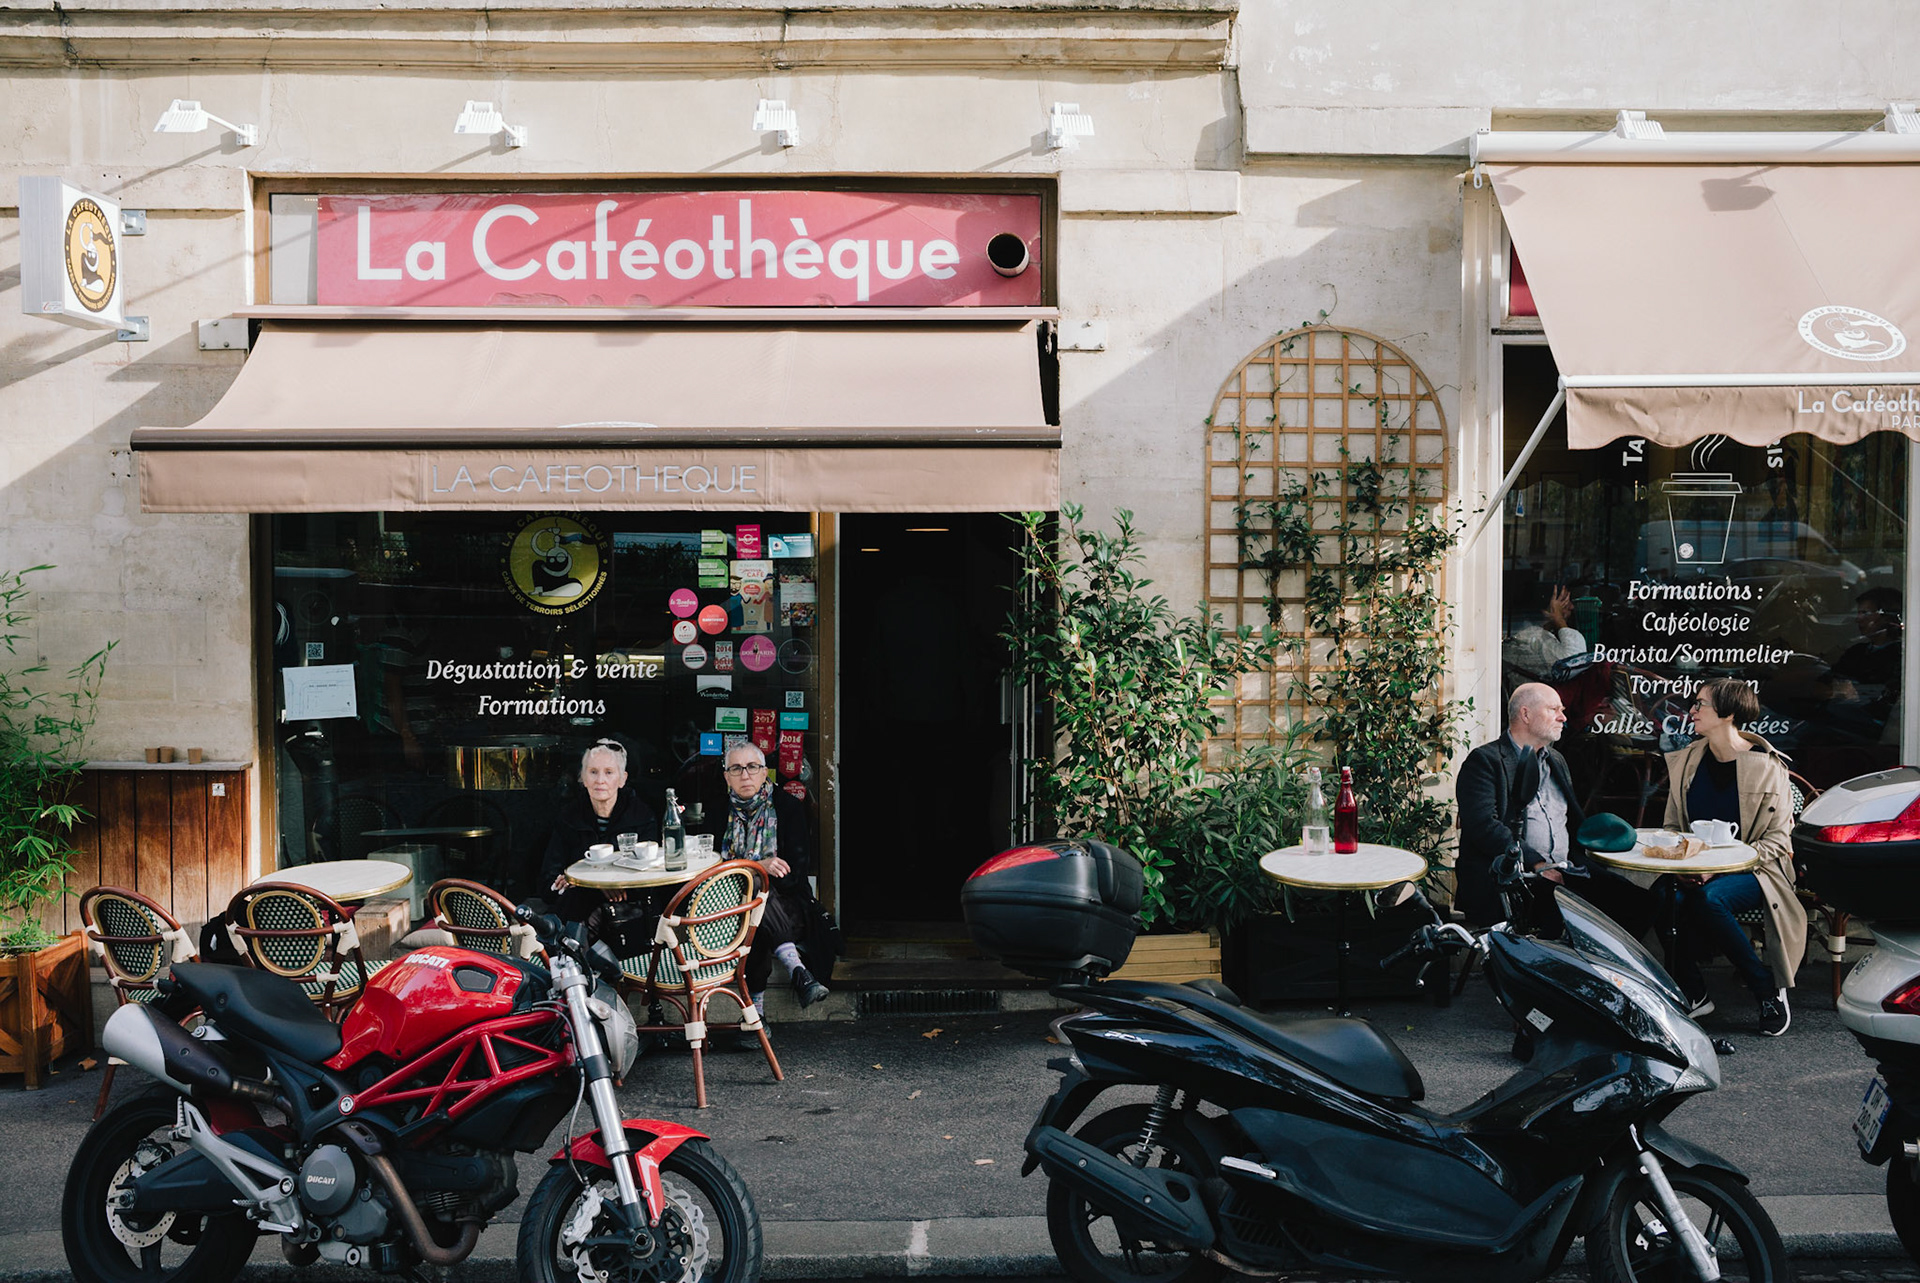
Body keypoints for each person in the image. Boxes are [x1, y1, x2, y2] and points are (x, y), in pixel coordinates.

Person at [1660, 677, 1807, 1037]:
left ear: (1727, 713)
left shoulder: (1768, 767)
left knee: (1711, 900)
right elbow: (1671, 826)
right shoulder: (1688, 761)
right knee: (1664, 895)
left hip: (1758, 870)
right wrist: (1685, 865)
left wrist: (1720, 868)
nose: (1691, 711)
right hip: (1695, 866)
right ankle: (1695, 992)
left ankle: (1767, 990)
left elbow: (1778, 840)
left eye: (1700, 705)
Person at [1455, 683, 1654, 938]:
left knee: (1640, 902)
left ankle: (1604, 973)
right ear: (1525, 715)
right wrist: (1537, 863)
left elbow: (1570, 823)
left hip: (1563, 868)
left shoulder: (1556, 760)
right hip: (1513, 877)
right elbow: (1483, 825)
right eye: (1554, 709)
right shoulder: (1485, 761)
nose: (1563, 717)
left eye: (1562, 710)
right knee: (1574, 916)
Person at [719, 741, 830, 1010]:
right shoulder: (718, 809)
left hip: (785, 902)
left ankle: (755, 1017)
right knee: (755, 888)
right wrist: (759, 865)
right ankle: (797, 970)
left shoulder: (787, 807)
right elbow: (710, 865)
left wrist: (753, 871)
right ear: (726, 776)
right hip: (726, 901)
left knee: (756, 904)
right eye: (736, 768)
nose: (745, 775)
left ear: (764, 772)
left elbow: (795, 873)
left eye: (752, 767)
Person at [537, 739, 661, 953]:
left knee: (577, 922)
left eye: (609, 772)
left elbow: (653, 878)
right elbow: (548, 880)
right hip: (577, 903)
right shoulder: (569, 817)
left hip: (627, 912)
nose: (600, 780)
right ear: (582, 778)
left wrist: (610, 884)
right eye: (593, 772)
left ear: (622, 779)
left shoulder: (641, 816)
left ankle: (568, 970)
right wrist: (576, 883)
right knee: (575, 907)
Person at [1827, 588, 1903, 740]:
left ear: (1887, 617)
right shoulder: (1856, 652)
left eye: (1865, 613)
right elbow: (1824, 684)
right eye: (1858, 613)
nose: (1858, 619)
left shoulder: (1901, 657)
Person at [1502, 585, 1587, 681]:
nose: (1571, 607)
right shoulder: (1530, 636)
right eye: (1564, 600)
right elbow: (1573, 661)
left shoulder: (1546, 635)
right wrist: (1559, 619)